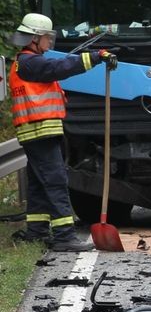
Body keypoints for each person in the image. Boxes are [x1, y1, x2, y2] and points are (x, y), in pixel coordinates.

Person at [9, 13, 116, 251]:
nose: (49, 42)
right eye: (47, 37)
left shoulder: (26, 63)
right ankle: (64, 236)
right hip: (40, 131)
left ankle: (36, 231)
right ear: (35, 38)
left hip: (36, 132)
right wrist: (96, 57)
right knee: (56, 181)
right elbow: (61, 66)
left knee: (38, 182)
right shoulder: (32, 63)